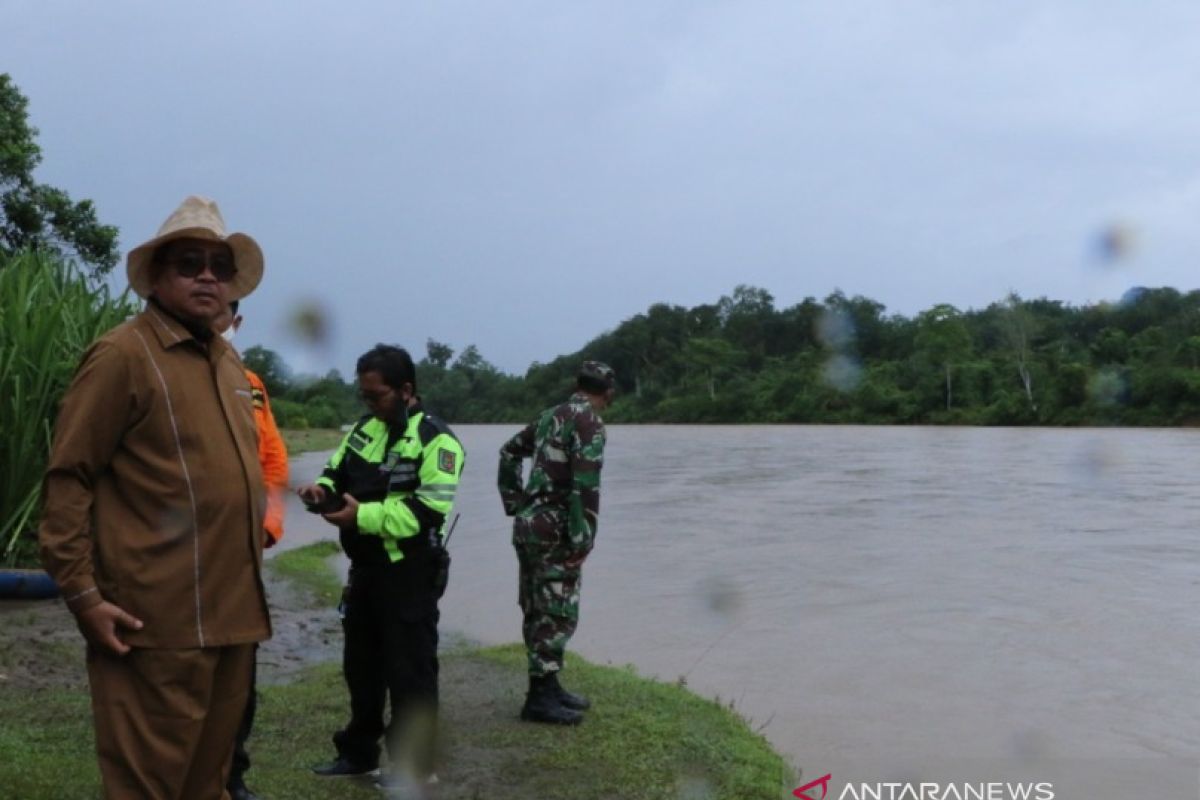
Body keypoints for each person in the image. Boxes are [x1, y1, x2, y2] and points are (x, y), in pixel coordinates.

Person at [38, 195, 271, 799]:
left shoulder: (225, 361)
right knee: (148, 786)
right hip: (152, 621)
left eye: (220, 268)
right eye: (189, 263)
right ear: (159, 277)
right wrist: (84, 595)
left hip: (232, 619)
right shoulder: (123, 355)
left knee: (209, 782)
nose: (207, 277)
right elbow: (69, 478)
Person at [300, 344, 464, 794]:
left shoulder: (438, 442)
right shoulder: (363, 431)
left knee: (410, 671)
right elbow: (337, 471)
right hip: (365, 571)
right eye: (365, 397)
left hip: (409, 572)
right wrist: (322, 492)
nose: (370, 405)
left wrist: (360, 517)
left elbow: (426, 513)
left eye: (377, 396)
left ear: (406, 390)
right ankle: (357, 754)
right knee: (362, 667)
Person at [497, 360, 616, 725]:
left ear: (577, 384)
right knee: (557, 609)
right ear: (608, 392)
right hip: (556, 532)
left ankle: (548, 685)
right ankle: (539, 698)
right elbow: (586, 485)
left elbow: (508, 452)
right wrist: (584, 538)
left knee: (537, 606)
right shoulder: (590, 422)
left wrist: (515, 502)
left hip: (529, 527)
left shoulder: (551, 415)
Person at [214, 299, 290, 800]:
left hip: (239, 555)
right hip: (171, 556)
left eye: (225, 312)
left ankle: (232, 775)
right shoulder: (146, 366)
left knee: (238, 669)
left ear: (235, 323)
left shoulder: (252, 386)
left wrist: (265, 529)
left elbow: (273, 463)